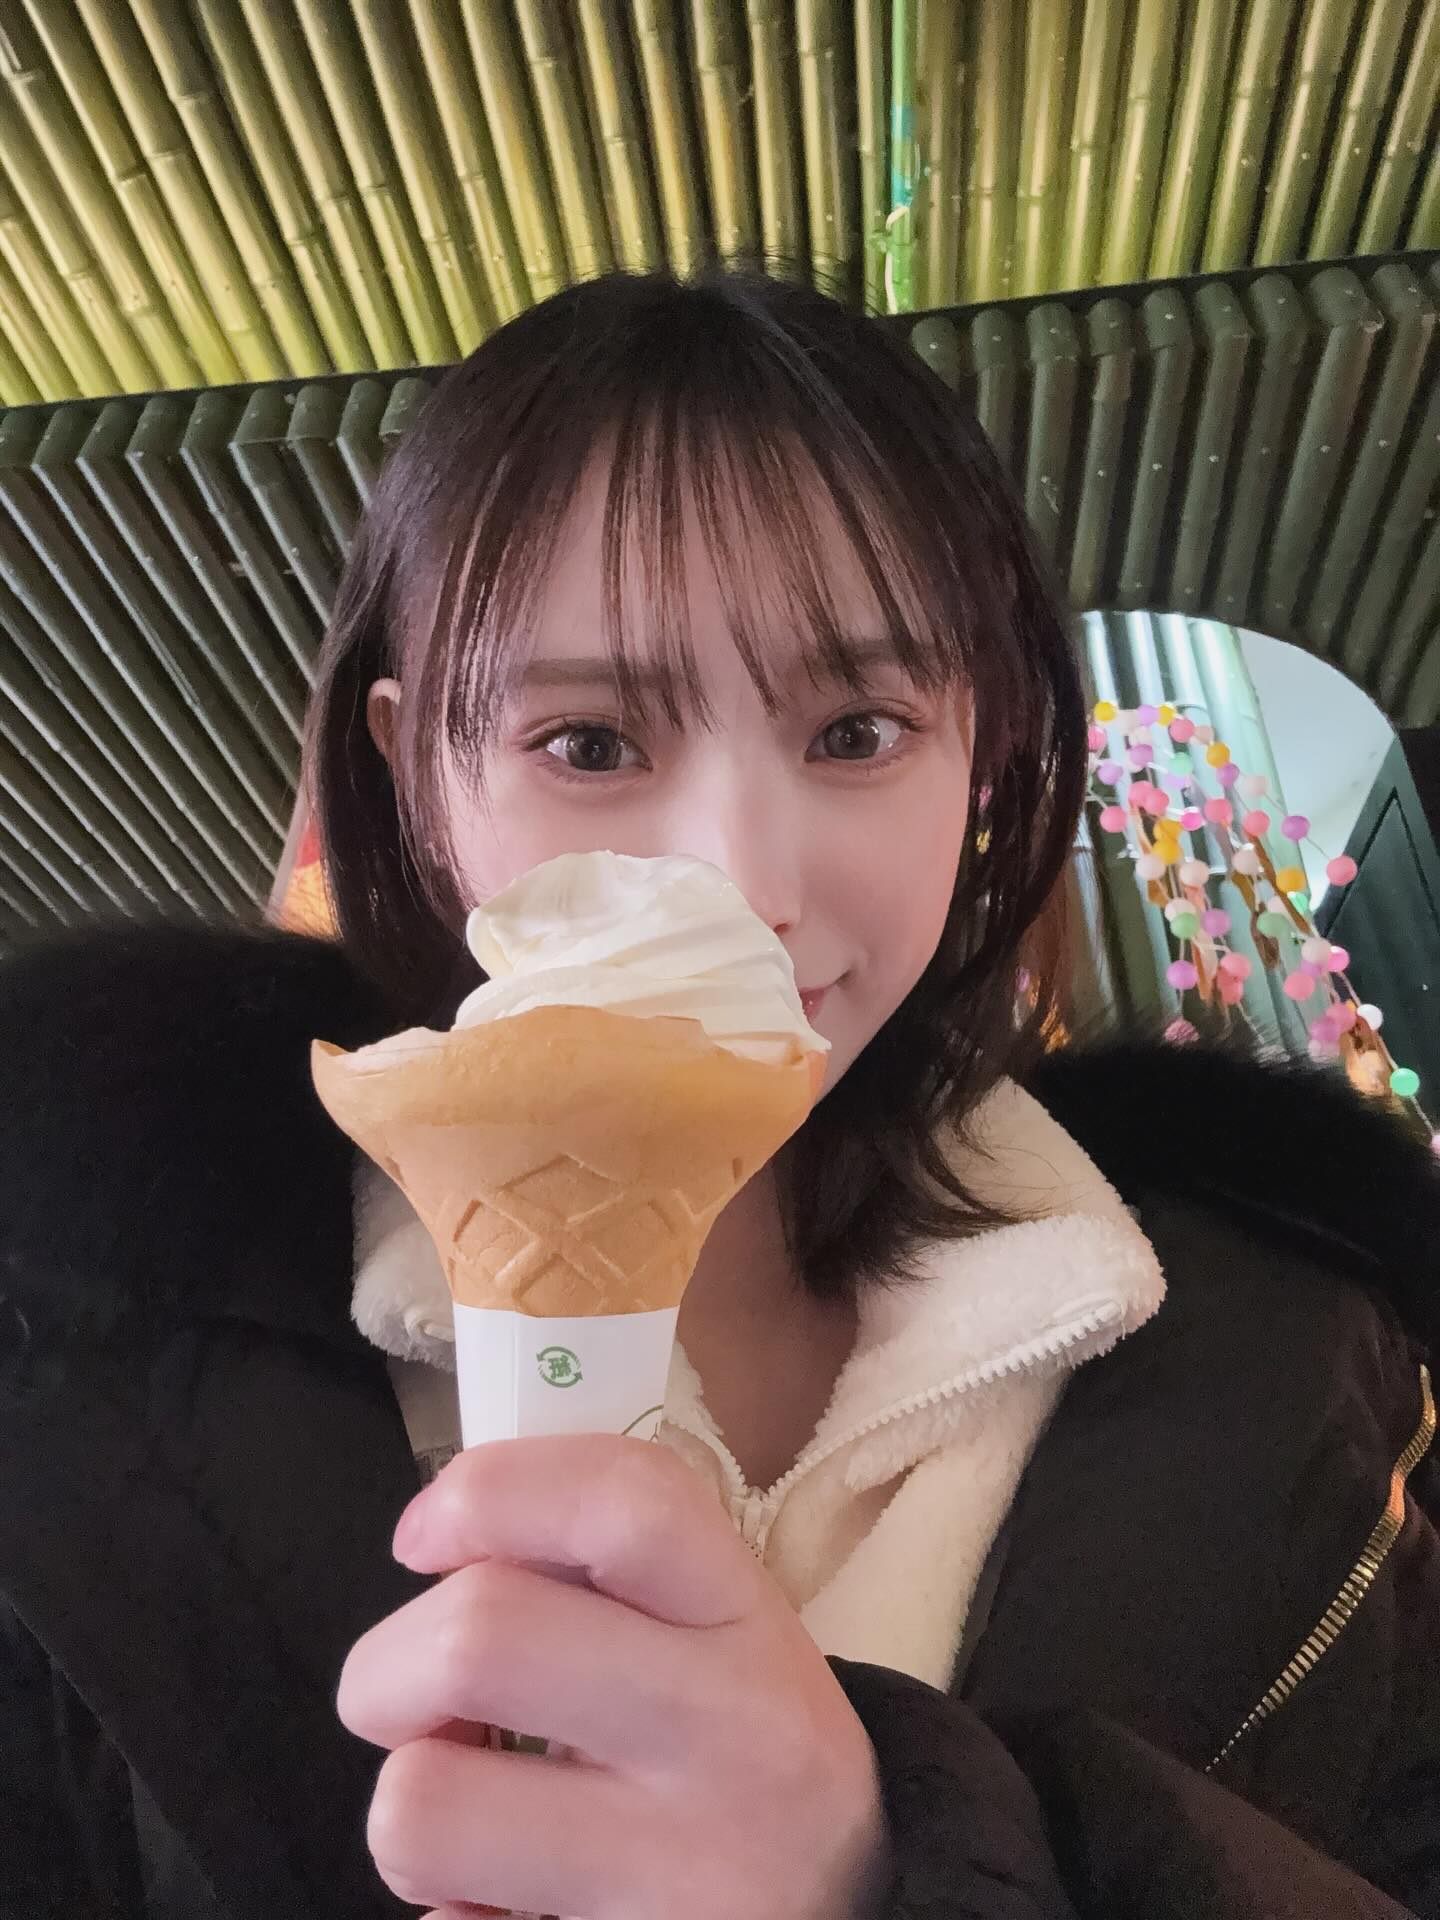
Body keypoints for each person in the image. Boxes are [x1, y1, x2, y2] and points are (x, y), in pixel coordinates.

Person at [1, 268, 1437, 1920]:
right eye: (590, 744)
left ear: (980, 751)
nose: (746, 886)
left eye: (859, 730)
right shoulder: (77, 1354)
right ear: (413, 774)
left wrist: (893, 1873)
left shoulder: (1301, 1354)